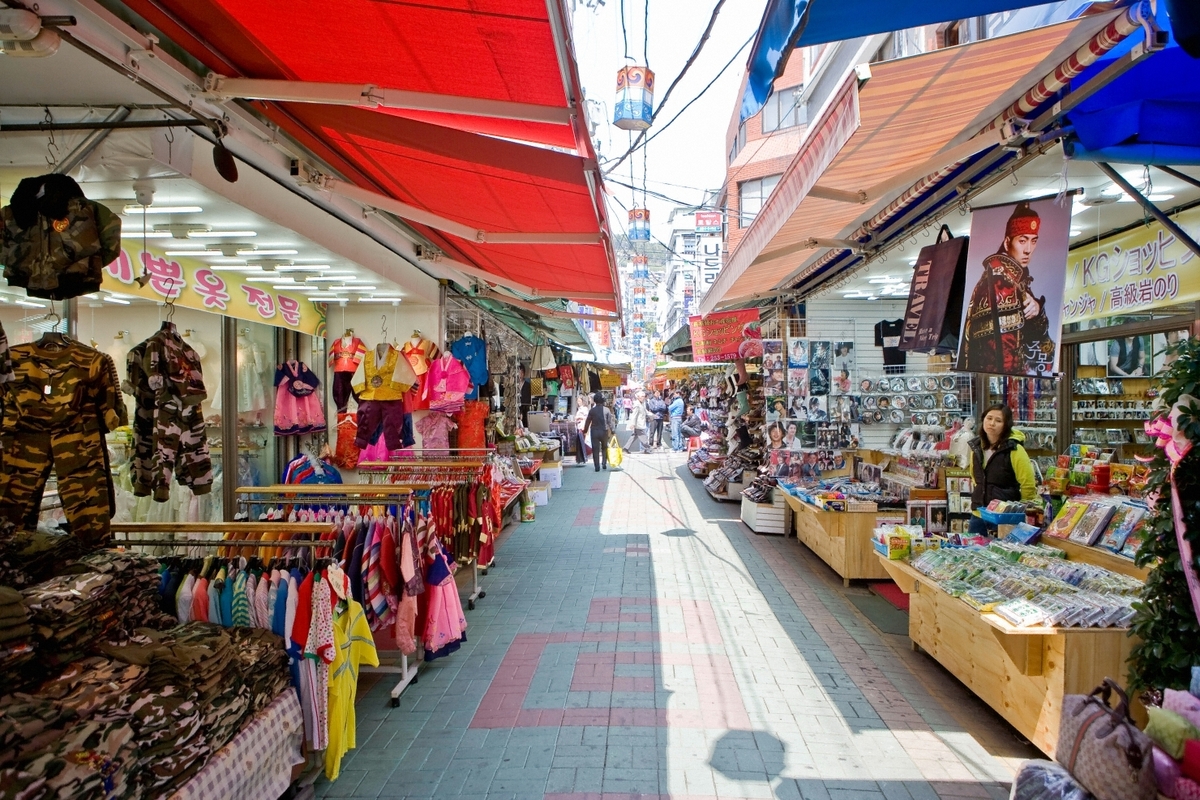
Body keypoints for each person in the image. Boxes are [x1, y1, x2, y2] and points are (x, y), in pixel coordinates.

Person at [960, 202, 1055, 375]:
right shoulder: (1001, 284)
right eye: (1022, 240)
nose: (1028, 250)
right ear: (1007, 242)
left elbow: (1035, 336)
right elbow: (1002, 354)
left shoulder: (1016, 280)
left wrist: (1038, 309)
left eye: (1033, 241)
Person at [967, 403, 1038, 535]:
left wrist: (1018, 512)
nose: (992, 423)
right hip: (978, 514)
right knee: (972, 552)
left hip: (1004, 517)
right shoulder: (976, 448)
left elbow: (1028, 485)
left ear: (1006, 425)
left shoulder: (1015, 450)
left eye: (998, 420)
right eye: (989, 418)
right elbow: (975, 479)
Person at [581, 392, 610, 471]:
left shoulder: (592, 411)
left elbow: (588, 421)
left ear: (595, 400)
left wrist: (585, 430)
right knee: (604, 448)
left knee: (595, 449)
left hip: (594, 432)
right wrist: (613, 431)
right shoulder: (607, 410)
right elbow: (610, 422)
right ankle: (604, 463)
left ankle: (597, 466)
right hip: (604, 431)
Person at [573, 394, 592, 465]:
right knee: (580, 442)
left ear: (582, 401)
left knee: (582, 442)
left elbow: (587, 418)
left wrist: (580, 418)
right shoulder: (579, 409)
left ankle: (584, 457)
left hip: (582, 427)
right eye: (577, 401)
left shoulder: (585, 409)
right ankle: (580, 458)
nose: (578, 402)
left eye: (579, 401)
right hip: (579, 426)